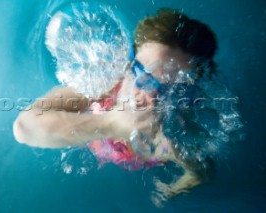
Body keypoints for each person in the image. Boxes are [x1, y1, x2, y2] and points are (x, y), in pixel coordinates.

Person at [13, 8, 218, 198]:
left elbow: (201, 172)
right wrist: (112, 124)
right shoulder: (104, 85)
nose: (151, 95)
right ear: (128, 64)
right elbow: (24, 127)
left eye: (170, 88)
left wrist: (172, 192)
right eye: (142, 74)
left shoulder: (173, 140)